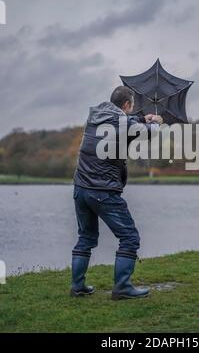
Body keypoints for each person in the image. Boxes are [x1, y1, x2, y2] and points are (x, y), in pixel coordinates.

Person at [71, 85, 163, 299]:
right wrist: (156, 122)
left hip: (80, 189)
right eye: (131, 107)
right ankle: (122, 287)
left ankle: (77, 286)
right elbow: (148, 133)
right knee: (130, 237)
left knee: (85, 237)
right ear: (127, 105)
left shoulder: (95, 117)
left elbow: (124, 123)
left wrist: (141, 117)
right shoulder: (122, 122)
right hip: (103, 191)